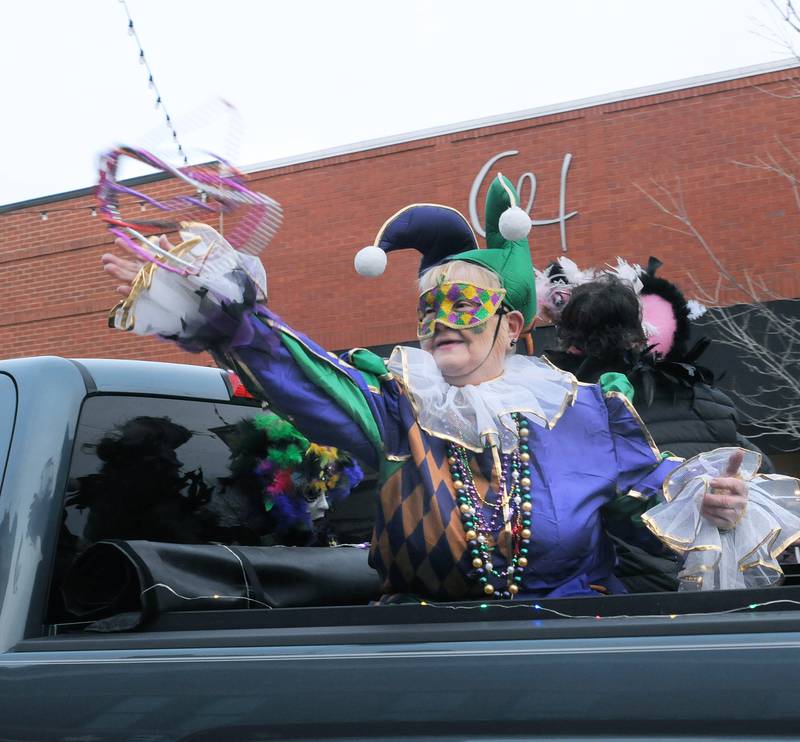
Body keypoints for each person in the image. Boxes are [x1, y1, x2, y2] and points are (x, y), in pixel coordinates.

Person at [100, 175, 793, 598]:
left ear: (512, 324)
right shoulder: (402, 410)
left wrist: (716, 498)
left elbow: (663, 485)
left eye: (461, 305)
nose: (439, 322)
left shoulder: (585, 412)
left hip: (576, 647)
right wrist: (234, 319)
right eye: (429, 308)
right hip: (433, 654)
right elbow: (311, 384)